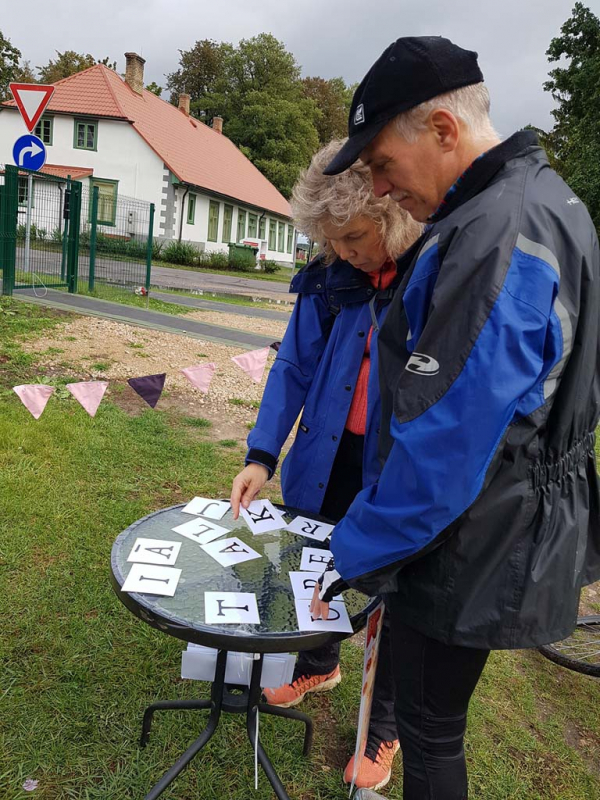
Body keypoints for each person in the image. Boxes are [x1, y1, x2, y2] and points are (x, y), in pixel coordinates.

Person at [311, 36, 600, 800]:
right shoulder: (542, 202)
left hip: (472, 533)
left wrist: (354, 546)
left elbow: (446, 445)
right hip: (490, 522)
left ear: (442, 129)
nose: (380, 188)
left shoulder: (498, 234)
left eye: (381, 164)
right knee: (434, 721)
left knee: (434, 733)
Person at [230, 140, 422, 790]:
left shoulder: (433, 277)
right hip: (326, 456)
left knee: (393, 595)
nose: (343, 251)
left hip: (395, 473)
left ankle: (387, 723)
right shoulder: (329, 277)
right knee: (315, 567)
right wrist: (261, 452)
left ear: (393, 216)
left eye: (356, 237)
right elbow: (293, 365)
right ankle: (319, 661)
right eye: (332, 238)